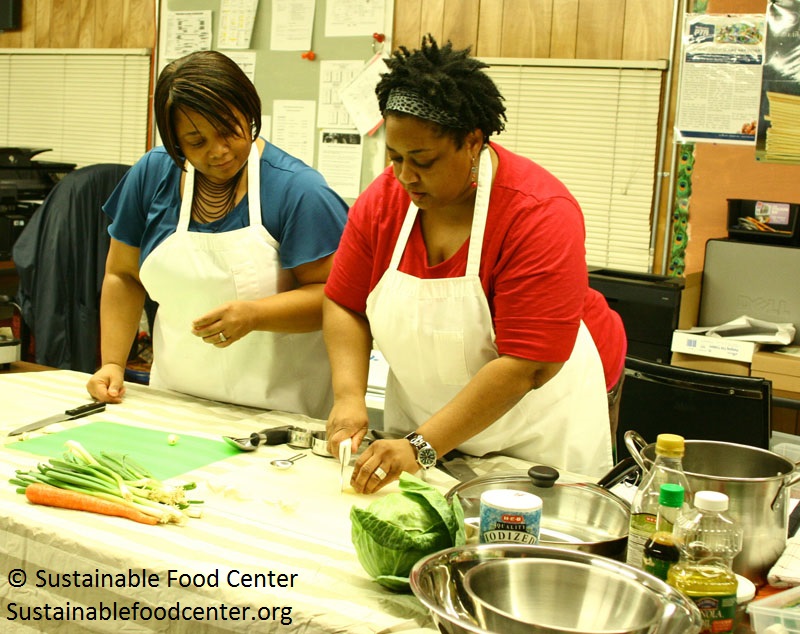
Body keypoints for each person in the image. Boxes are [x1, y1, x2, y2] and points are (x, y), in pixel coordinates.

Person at [324, 35, 627, 492]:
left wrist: (424, 446)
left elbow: (528, 365)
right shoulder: (384, 202)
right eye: (395, 157)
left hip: (537, 428)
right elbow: (344, 304)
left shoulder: (537, 213)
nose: (405, 175)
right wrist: (349, 398)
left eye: (423, 160)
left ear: (472, 142)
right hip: (428, 427)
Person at [86, 50, 348, 419]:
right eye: (196, 142)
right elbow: (123, 274)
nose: (219, 151)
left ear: (249, 111)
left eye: (229, 130)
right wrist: (112, 362)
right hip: (175, 400)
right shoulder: (152, 175)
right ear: (175, 141)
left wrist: (256, 314)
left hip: (278, 414)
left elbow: (335, 300)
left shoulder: (298, 190)